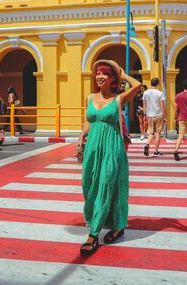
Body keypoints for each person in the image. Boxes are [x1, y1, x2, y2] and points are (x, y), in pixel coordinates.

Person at [77, 59, 141, 256]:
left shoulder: (119, 99)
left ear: (113, 79)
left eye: (105, 73)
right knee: (90, 187)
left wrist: (122, 73)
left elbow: (137, 86)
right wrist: (80, 141)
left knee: (106, 186)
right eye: (98, 73)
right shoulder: (90, 98)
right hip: (92, 149)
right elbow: (89, 122)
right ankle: (117, 225)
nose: (100, 77)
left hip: (112, 149)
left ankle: (93, 234)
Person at [173, 79, 187, 161]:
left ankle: (176, 150)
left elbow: (176, 109)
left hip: (181, 118)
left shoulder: (178, 95)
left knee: (180, 136)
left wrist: (175, 117)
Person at [142, 78, 166, 157]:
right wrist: (164, 116)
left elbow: (144, 105)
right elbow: (162, 106)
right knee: (158, 133)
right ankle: (156, 151)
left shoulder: (145, 93)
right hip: (159, 115)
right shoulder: (160, 93)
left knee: (151, 133)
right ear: (158, 84)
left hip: (150, 115)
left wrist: (144, 115)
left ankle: (147, 144)